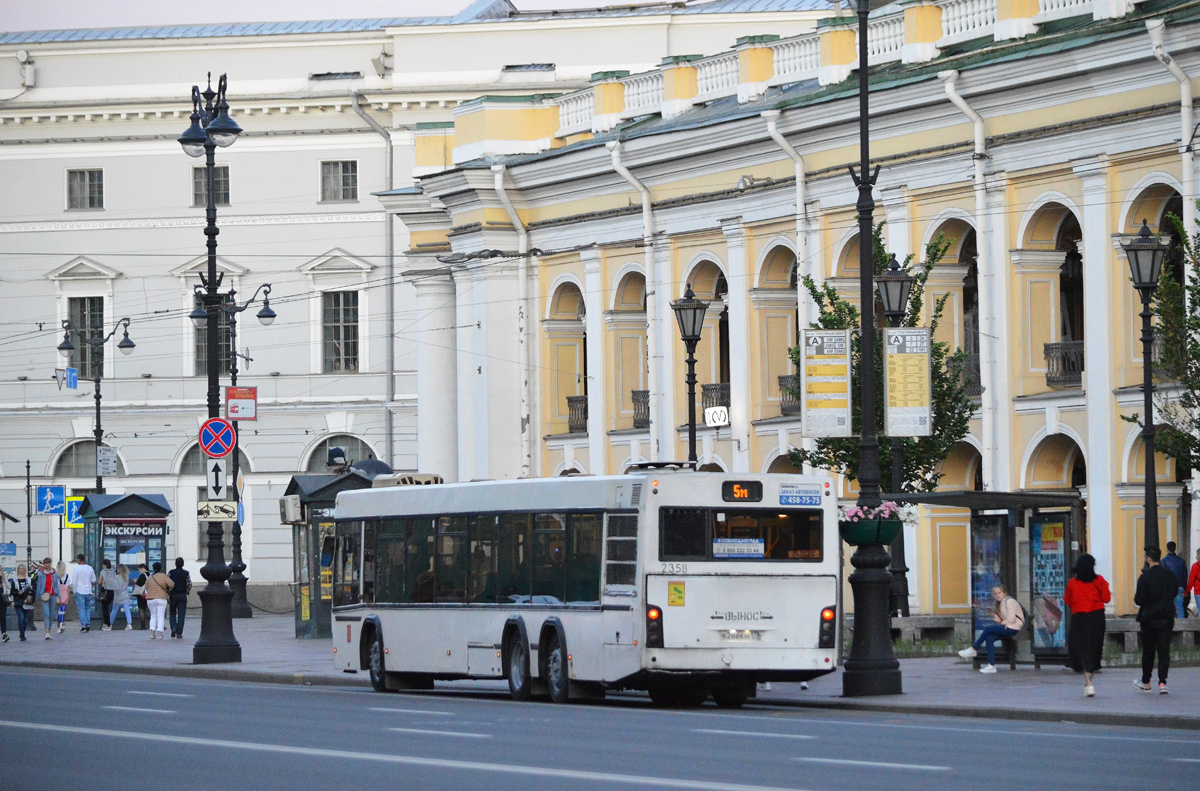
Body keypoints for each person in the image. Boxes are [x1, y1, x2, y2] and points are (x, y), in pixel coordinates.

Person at [1063, 553, 1110, 697]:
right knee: (1094, 648)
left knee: (1081, 648)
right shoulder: (1100, 580)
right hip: (1096, 618)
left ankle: (1088, 684)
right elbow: (1107, 598)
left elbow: (1068, 600)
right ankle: (1089, 681)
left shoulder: (1072, 583)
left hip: (1079, 618)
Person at [1134, 546, 1178, 694]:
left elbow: (1138, 600)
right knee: (1164, 651)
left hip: (1149, 619)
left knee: (1148, 651)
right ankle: (1162, 683)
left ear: (1148, 559)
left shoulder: (1145, 577)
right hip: (1166, 618)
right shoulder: (1170, 576)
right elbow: (1174, 593)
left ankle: (1146, 682)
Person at [958, 584, 1025, 673]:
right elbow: (1003, 621)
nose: (997, 595)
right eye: (995, 593)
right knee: (989, 638)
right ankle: (991, 665)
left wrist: (1001, 623)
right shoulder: (1001, 603)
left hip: (1014, 628)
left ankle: (973, 649)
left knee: (988, 629)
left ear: (1004, 593)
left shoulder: (1010, 601)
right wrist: (996, 618)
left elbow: (1011, 619)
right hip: (1008, 627)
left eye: (999, 593)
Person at [143, 561, 174, 639]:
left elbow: (146, 587)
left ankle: (152, 633)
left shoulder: (150, 577)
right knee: (160, 616)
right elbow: (171, 584)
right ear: (160, 568)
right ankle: (160, 634)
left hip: (150, 599)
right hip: (161, 598)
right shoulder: (163, 576)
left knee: (153, 616)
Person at [32, 558, 60, 639]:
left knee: (51, 614)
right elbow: (39, 585)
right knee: (46, 613)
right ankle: (47, 631)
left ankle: (49, 629)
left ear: (50, 563)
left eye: (47, 563)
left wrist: (59, 595)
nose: (46, 565)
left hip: (53, 595)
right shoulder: (41, 574)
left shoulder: (54, 573)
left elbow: (56, 585)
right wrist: (37, 596)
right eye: (44, 563)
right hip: (44, 595)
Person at [70, 553, 96, 633]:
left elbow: (74, 581)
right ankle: (88, 623)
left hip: (79, 590)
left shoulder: (76, 569)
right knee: (87, 608)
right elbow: (94, 580)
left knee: (81, 609)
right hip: (88, 591)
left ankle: (84, 625)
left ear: (78, 560)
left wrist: (74, 590)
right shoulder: (90, 568)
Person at [1162, 541, 1188, 619]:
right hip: (1180, 587)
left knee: (1167, 608)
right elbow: (1185, 575)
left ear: (1167, 549)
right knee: (1180, 609)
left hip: (1168, 588)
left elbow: (1163, 576)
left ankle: (1168, 627)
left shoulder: (1164, 561)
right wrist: (1184, 587)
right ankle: (1182, 626)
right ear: (1175, 549)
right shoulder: (1181, 561)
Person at [167, 557, 191, 639]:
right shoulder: (186, 573)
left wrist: (168, 591)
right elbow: (189, 584)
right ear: (183, 564)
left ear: (175, 564)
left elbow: (167, 583)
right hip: (182, 595)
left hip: (173, 595)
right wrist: (187, 590)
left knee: (172, 612)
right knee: (181, 614)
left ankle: (173, 627)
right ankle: (179, 633)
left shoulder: (171, 573)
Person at [9, 565, 33, 640]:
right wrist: (17, 593)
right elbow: (12, 591)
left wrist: (31, 591)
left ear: (25, 570)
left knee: (25, 619)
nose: (22, 570)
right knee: (21, 617)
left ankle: (23, 633)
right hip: (18, 601)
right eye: (20, 569)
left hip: (27, 601)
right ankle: (22, 635)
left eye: (23, 569)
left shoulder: (28, 580)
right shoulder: (14, 580)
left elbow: (32, 590)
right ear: (18, 570)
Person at [97, 560, 121, 631]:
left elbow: (99, 581)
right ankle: (107, 624)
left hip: (105, 590)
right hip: (111, 592)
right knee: (107, 607)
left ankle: (107, 624)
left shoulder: (103, 571)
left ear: (104, 565)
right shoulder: (113, 572)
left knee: (104, 608)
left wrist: (103, 581)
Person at [109, 565, 134, 630]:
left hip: (118, 595)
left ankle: (110, 624)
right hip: (125, 594)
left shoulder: (117, 577)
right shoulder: (126, 576)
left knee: (114, 610)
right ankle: (129, 624)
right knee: (127, 609)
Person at [55, 561, 71, 634]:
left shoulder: (56, 576)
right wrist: (68, 596)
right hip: (65, 595)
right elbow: (69, 587)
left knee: (58, 610)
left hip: (57, 595)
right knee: (63, 610)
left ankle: (59, 624)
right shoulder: (67, 576)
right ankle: (62, 622)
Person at [133, 564, 150, 630]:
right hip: (147, 594)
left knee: (142, 609)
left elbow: (140, 583)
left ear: (142, 568)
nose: (139, 571)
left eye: (139, 569)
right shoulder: (149, 574)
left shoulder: (143, 575)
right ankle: (157, 622)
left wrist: (136, 581)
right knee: (146, 609)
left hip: (141, 595)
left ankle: (143, 625)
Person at [1188, 549, 1200, 617]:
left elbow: (1191, 580)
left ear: (1198, 555)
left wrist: (1187, 591)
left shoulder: (1195, 566)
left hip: (1198, 591)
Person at [0, 569, 10, 643]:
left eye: (1, 569)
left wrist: (4, 578)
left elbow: (9, 586)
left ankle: (4, 634)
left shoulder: (3, 579)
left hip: (2, 600)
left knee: (3, 617)